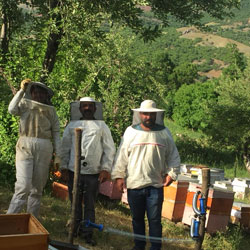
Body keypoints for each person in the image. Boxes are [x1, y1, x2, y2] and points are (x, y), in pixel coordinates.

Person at [111, 100, 181, 250]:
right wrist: (118, 177)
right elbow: (121, 156)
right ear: (139, 114)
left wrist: (171, 174)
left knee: (155, 220)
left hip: (155, 185)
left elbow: (173, 156)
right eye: (145, 113)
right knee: (137, 219)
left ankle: (155, 247)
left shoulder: (164, 133)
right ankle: (139, 246)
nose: (148, 117)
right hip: (134, 183)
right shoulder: (130, 132)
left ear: (156, 115)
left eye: (151, 114)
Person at [60, 97, 115, 246]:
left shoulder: (102, 126)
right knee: (75, 202)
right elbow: (64, 147)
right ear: (79, 108)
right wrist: (63, 167)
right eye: (84, 106)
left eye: (90, 106)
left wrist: (105, 169)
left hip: (93, 172)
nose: (87, 108)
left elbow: (109, 149)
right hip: (73, 170)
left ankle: (88, 232)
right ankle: (74, 228)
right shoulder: (72, 125)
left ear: (95, 108)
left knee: (90, 204)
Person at [7, 79, 61, 218]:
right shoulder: (24, 104)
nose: (38, 95)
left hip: (44, 147)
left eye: (41, 93)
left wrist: (58, 155)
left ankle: (32, 222)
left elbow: (56, 132)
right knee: (23, 186)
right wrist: (21, 91)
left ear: (46, 95)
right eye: (35, 92)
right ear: (31, 93)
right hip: (25, 144)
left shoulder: (51, 110)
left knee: (37, 188)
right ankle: (10, 219)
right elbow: (11, 109)